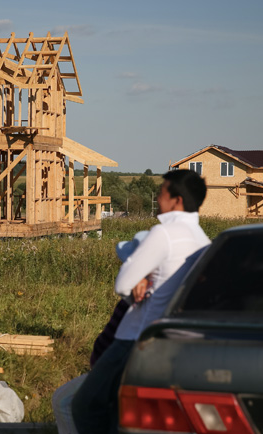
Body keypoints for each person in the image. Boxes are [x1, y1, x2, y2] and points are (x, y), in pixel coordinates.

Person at [71, 169, 211, 434]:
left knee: (86, 405)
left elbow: (123, 284)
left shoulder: (165, 233)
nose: (158, 198)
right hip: (170, 345)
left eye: (162, 193)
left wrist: (138, 276)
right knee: (126, 416)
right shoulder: (202, 240)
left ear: (176, 200)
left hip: (133, 338)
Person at [52, 231, 150, 434]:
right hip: (109, 372)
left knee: (64, 401)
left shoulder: (145, 299)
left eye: (128, 263)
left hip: (117, 375)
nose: (123, 267)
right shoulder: (135, 295)